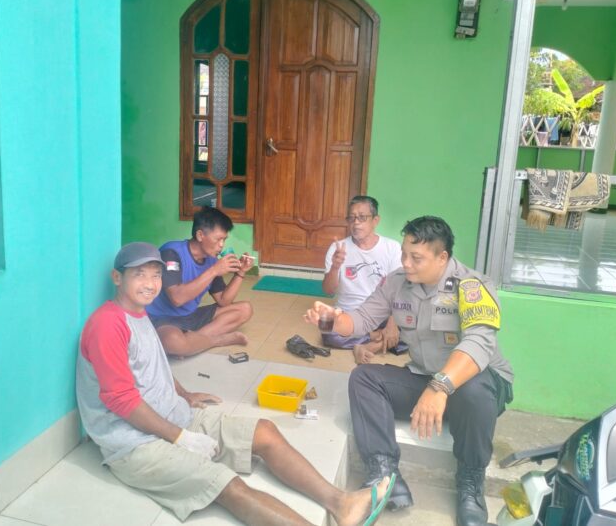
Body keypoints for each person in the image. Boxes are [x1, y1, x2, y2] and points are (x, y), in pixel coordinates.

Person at [76, 241, 394, 526]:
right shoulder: (107, 324)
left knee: (264, 431)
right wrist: (180, 438)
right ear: (117, 278)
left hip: (173, 416)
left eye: (155, 275)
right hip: (135, 443)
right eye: (139, 275)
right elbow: (121, 400)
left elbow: (150, 367)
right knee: (227, 484)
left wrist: (183, 394)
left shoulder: (139, 314)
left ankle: (342, 504)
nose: (150, 284)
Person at [305, 216, 514, 526]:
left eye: (416, 257)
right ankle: (384, 474)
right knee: (364, 378)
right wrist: (336, 319)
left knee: (474, 389)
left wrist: (439, 387)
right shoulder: (396, 282)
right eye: (404, 254)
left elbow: (478, 345)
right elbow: (361, 320)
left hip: (477, 385)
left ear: (442, 257)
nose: (406, 263)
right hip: (427, 379)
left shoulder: (472, 285)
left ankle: (471, 482)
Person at [147, 206, 253, 357]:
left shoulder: (211, 261)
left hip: (190, 315)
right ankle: (215, 340)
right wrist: (215, 270)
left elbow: (223, 301)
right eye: (218, 239)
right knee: (173, 341)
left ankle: (192, 342)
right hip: (163, 318)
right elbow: (177, 298)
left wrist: (240, 272)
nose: (221, 245)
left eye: (224, 240)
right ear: (200, 235)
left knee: (245, 309)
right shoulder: (171, 253)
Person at [322, 196, 403, 364]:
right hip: (349, 313)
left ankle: (365, 346)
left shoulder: (392, 248)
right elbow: (328, 290)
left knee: (415, 329)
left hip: (381, 314)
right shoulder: (337, 248)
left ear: (375, 220)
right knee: (327, 329)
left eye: (362, 217)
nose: (356, 223)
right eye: (351, 218)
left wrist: (392, 323)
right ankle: (376, 338)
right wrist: (335, 267)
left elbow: (399, 290)